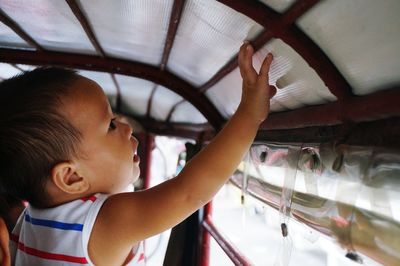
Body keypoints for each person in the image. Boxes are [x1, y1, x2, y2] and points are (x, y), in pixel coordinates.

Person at [0, 42, 276, 265]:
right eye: (110, 125)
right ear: (71, 177)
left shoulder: (29, 223)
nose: (126, 127)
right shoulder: (103, 222)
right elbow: (188, 192)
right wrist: (249, 114)